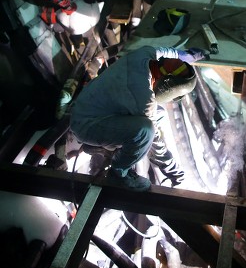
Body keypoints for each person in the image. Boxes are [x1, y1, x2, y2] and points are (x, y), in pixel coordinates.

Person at [70, 45, 209, 192]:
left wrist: (184, 55)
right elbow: (155, 141)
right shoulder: (144, 100)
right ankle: (118, 173)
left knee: (159, 114)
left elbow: (168, 51)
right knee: (145, 132)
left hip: (87, 104)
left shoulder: (145, 52)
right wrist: (172, 170)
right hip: (86, 125)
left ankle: (104, 145)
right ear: (167, 85)